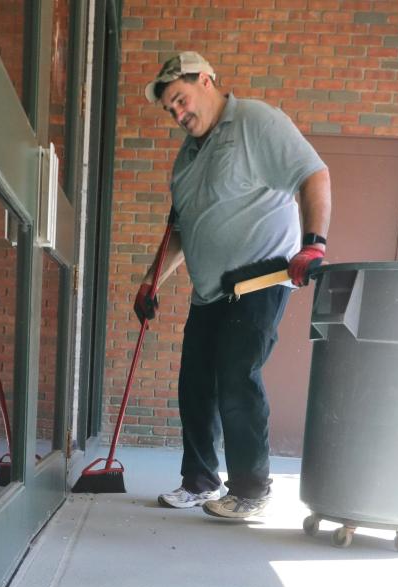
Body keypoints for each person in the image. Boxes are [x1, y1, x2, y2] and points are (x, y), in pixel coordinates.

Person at [136, 52, 331, 520]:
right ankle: (201, 481)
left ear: (206, 80)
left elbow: (313, 174)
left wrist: (314, 244)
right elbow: (185, 231)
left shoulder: (255, 121)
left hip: (259, 279)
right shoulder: (187, 158)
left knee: (236, 379)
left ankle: (251, 490)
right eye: (171, 110)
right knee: (195, 385)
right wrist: (150, 282)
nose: (179, 115)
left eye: (181, 100)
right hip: (209, 292)